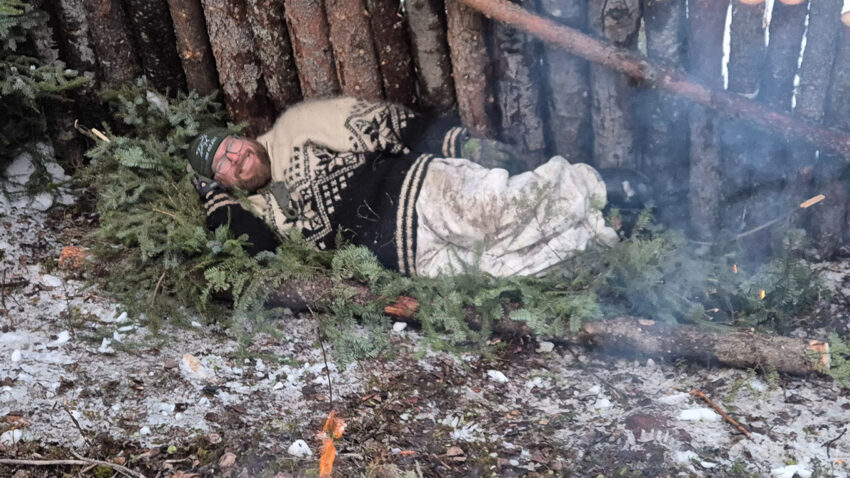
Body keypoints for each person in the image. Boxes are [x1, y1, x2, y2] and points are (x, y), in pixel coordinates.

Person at [187, 97, 633, 277]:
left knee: (499, 211)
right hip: (408, 257)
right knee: (506, 267)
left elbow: (381, 122)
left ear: (242, 136)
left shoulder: (294, 127)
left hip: (415, 191)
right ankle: (604, 231)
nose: (236, 158)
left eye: (232, 146)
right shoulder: (258, 213)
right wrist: (215, 200)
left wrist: (453, 142)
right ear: (222, 181)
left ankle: (605, 188)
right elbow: (249, 247)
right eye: (222, 164)